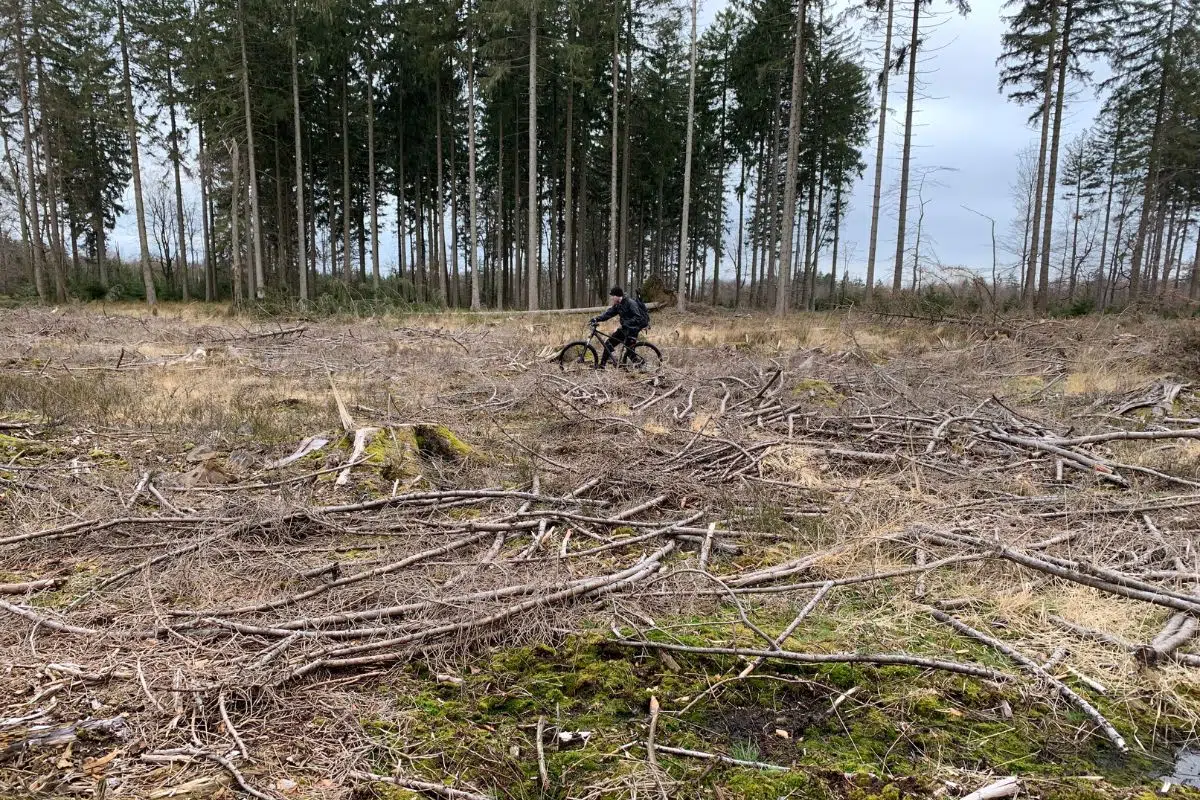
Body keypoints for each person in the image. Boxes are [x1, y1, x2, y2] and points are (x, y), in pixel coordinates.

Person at [590, 287, 648, 368]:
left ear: (617, 296)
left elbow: (638, 317)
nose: (611, 298)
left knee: (630, 352)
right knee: (609, 344)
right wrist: (596, 319)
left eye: (612, 296)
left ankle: (642, 368)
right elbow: (608, 314)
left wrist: (625, 323)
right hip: (625, 329)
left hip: (633, 330)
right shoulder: (618, 305)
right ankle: (602, 366)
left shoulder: (630, 303)